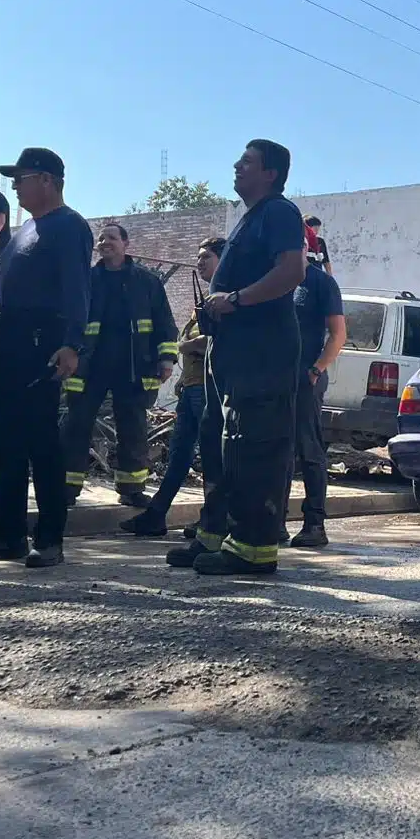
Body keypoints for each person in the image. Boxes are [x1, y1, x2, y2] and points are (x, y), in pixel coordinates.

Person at [167, 139, 306, 576]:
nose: (236, 166)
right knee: (218, 439)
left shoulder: (280, 212)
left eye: (246, 162)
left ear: (270, 173)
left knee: (254, 445)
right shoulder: (251, 218)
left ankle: (253, 547)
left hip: (262, 351)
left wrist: (238, 300)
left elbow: (292, 271)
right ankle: (215, 534)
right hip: (231, 351)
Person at [0, 148, 93, 569]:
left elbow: (77, 290)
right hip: (11, 343)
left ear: (48, 180)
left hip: (44, 344)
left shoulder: (69, 227)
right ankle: (8, 535)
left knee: (41, 442)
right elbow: (7, 303)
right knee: (8, 442)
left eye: (23, 177)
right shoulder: (25, 231)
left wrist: (72, 344)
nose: (14, 185)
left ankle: (49, 538)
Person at [61, 223, 178, 508]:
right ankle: (66, 487)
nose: (105, 242)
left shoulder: (147, 282)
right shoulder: (87, 280)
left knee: (133, 427)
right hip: (90, 367)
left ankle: (131, 488)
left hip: (133, 368)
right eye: (101, 238)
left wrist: (166, 358)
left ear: (126, 244)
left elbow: (164, 322)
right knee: (76, 425)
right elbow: (70, 320)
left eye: (111, 237)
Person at [120, 236, 224, 536]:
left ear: (222, 259)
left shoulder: (225, 296)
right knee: (179, 456)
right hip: (191, 388)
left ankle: (212, 520)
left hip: (208, 390)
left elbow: (215, 339)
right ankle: (156, 515)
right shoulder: (205, 299)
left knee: (212, 457)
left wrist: (185, 345)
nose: (200, 262)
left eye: (206, 257)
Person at [287, 226, 346, 548]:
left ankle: (314, 524)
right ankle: (273, 520)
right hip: (272, 379)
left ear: (305, 248)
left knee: (308, 449)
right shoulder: (273, 281)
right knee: (275, 450)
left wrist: (315, 369)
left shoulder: (321, 283)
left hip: (305, 379)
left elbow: (338, 334)